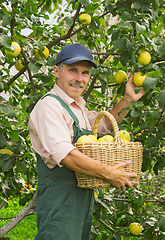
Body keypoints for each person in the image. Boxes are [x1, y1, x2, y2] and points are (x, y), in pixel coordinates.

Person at [28, 43, 145, 240]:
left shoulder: (78, 107)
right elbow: (64, 155)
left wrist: (127, 99)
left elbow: (104, 127)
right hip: (59, 201)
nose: (79, 79)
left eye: (85, 73)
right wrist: (109, 173)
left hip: (82, 198)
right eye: (73, 70)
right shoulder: (50, 106)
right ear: (57, 71)